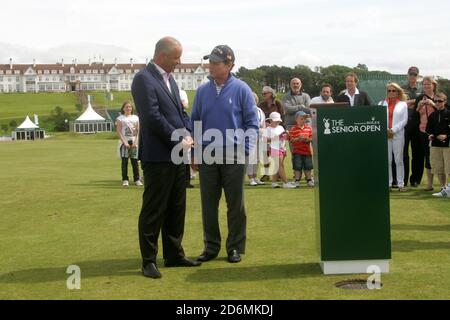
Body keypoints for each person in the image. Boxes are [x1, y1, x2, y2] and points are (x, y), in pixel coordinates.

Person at [131, 36, 201, 279]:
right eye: (176, 57)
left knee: (176, 208)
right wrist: (177, 138)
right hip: (158, 156)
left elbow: (179, 113)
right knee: (154, 209)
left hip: (178, 154)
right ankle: (148, 261)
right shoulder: (143, 79)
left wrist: (189, 133)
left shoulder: (170, 81)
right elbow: (151, 117)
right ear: (162, 56)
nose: (179, 62)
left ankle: (174, 255)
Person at [191, 45, 259, 264]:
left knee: (235, 204)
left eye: (215, 62)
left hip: (234, 154)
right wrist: (194, 152)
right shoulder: (202, 91)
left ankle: (235, 247)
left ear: (229, 65)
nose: (210, 65)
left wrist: (246, 151)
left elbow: (252, 123)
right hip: (207, 154)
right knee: (209, 204)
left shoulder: (242, 89)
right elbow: (195, 123)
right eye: (209, 61)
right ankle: (211, 247)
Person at [378, 83, 408, 192]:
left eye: (393, 91)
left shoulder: (403, 104)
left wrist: (393, 130)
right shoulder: (381, 103)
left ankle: (401, 184)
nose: (391, 93)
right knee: (388, 160)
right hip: (385, 135)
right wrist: (386, 130)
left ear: (398, 92)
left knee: (399, 160)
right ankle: (389, 183)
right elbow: (379, 119)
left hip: (398, 134)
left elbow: (404, 120)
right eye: (389, 91)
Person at [415, 76, 438, 191]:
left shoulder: (439, 97)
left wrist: (433, 103)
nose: (426, 86)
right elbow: (415, 115)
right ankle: (430, 184)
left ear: (433, 85)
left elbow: (446, 111)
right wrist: (419, 106)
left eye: (428, 84)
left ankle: (444, 184)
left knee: (439, 157)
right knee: (428, 157)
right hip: (424, 131)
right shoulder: (419, 97)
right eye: (424, 84)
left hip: (438, 132)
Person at [263, 112, 296, 189]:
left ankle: (274, 182)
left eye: (278, 121)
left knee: (277, 166)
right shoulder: (268, 129)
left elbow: (285, 138)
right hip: (274, 149)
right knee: (280, 165)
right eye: (275, 121)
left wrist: (287, 134)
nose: (277, 122)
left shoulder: (281, 127)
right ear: (270, 120)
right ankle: (285, 183)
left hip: (282, 148)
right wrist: (275, 138)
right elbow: (265, 140)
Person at [402, 66, 423, 187]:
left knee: (418, 153)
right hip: (405, 123)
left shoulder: (422, 88)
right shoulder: (402, 89)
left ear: (418, 76)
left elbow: (422, 103)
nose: (412, 77)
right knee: (404, 153)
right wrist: (415, 102)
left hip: (418, 123)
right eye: (411, 74)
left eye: (415, 75)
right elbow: (401, 104)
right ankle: (403, 180)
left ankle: (415, 180)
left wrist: (410, 102)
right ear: (407, 75)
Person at [427, 92, 450, 197]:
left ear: (444, 102)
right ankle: (443, 189)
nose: (437, 103)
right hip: (435, 145)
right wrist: (434, 135)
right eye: (435, 101)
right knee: (439, 169)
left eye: (439, 101)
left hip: (448, 145)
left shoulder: (449, 113)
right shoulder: (432, 115)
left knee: (449, 169)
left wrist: (446, 135)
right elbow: (428, 129)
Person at [115, 101, 142, 187]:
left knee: (135, 162)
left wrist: (136, 141)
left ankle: (137, 179)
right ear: (123, 108)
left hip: (134, 142)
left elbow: (138, 131)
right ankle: (125, 179)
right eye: (126, 107)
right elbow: (119, 131)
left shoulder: (136, 118)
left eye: (130, 107)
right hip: (124, 143)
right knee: (124, 162)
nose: (128, 108)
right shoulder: (120, 118)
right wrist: (124, 142)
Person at [287, 111, 314, 187]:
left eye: (304, 119)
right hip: (297, 151)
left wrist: (307, 139)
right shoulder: (293, 129)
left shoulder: (308, 128)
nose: (303, 120)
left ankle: (309, 180)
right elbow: (291, 140)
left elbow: (311, 138)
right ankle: (297, 180)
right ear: (296, 119)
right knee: (297, 167)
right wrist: (298, 139)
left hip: (307, 151)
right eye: (301, 119)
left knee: (308, 166)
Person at [247, 92, 266, 186]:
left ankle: (255, 176)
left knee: (257, 158)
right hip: (250, 136)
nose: (254, 101)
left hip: (260, 136)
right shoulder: (246, 110)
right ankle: (250, 178)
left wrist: (263, 131)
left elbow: (263, 123)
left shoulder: (259, 110)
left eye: (255, 99)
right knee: (251, 157)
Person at [179, 88, 194, 188]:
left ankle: (186, 181)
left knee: (185, 161)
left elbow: (189, 127)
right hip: (178, 140)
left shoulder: (185, 115)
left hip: (185, 141)